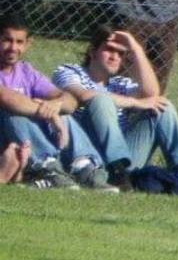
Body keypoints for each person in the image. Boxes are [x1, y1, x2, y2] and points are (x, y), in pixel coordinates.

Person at [52, 26, 178, 193]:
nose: (115, 57)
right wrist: (135, 102)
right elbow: (83, 95)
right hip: (87, 158)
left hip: (126, 163)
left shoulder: (120, 84)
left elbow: (152, 94)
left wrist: (136, 48)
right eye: (109, 50)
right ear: (92, 51)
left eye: (121, 53)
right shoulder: (70, 71)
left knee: (162, 107)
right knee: (101, 100)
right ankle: (116, 171)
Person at [0, 13, 116, 190]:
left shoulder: (26, 72)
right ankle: (48, 168)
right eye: (7, 40)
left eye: (19, 42)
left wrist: (56, 107)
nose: (13, 47)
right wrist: (49, 113)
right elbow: (8, 99)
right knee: (13, 112)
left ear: (27, 44)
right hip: (6, 142)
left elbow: (69, 100)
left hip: (24, 145)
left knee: (64, 114)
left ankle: (85, 169)